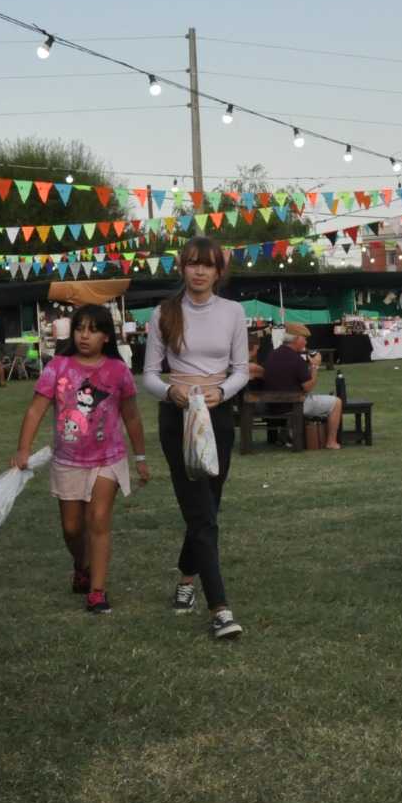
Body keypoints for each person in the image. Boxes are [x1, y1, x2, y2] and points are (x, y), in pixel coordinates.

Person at [141, 236, 250, 640]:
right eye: (192, 263)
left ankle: (187, 578)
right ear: (182, 267)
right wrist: (172, 392)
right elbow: (149, 374)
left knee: (209, 506)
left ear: (219, 271)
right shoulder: (164, 313)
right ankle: (220, 607)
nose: (199, 271)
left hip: (217, 415)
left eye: (207, 265)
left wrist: (222, 391)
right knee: (201, 512)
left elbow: (241, 368)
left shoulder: (233, 312)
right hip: (178, 416)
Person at [11, 304, 149, 615]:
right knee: (72, 528)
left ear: (106, 336)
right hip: (68, 460)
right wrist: (23, 449)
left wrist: (140, 457)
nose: (85, 336)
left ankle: (97, 592)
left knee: (98, 520)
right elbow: (35, 410)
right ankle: (82, 564)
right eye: (80, 328)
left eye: (93, 330)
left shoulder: (118, 371)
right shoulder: (57, 367)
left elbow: (131, 415)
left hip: (108, 458)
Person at [261, 322, 342, 449]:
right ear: (296, 339)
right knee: (336, 402)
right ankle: (331, 442)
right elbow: (308, 387)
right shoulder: (296, 359)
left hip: (273, 405)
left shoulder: (272, 354)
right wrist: (315, 366)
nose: (306, 342)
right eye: (304, 339)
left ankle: (287, 436)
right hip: (294, 405)